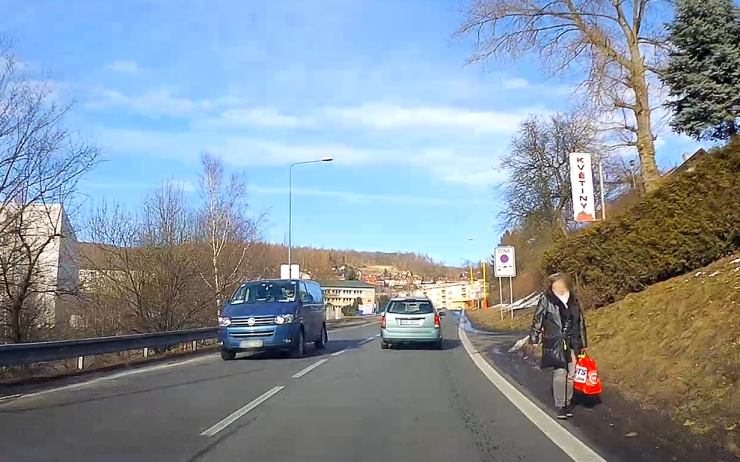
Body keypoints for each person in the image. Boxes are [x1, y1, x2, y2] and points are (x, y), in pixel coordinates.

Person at [530, 272, 587, 419]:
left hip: (572, 341)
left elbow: (580, 322)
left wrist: (583, 344)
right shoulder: (546, 299)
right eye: (556, 284)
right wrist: (534, 337)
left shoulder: (573, 300)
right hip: (555, 340)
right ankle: (561, 405)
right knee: (560, 372)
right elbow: (538, 318)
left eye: (561, 284)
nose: (559, 287)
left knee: (571, 374)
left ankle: (568, 403)